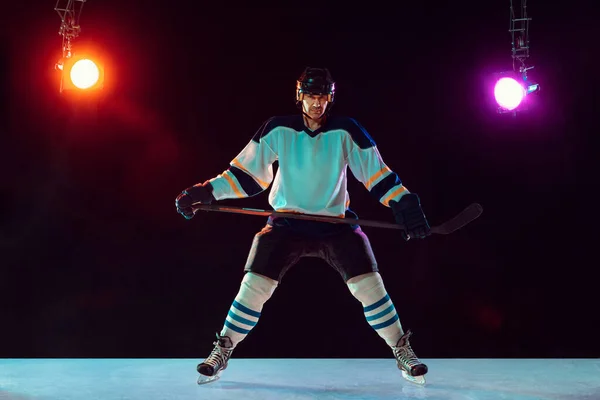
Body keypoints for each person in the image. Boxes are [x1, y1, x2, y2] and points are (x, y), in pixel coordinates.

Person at [175, 67, 432, 385]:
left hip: (335, 224)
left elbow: (376, 175)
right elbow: (246, 175)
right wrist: (205, 191)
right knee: (254, 287)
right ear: (300, 97)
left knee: (369, 286)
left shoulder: (347, 131)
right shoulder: (278, 129)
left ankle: (402, 351)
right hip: (287, 223)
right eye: (311, 96)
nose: (316, 103)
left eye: (322, 97)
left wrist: (404, 203)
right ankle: (221, 350)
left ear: (330, 99)